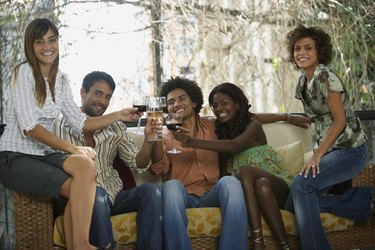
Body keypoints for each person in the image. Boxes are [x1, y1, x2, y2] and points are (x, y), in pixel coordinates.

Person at [0, 18, 139, 250]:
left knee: (84, 165)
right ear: (30, 46)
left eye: (52, 40)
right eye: (39, 41)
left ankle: (79, 244)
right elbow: (29, 127)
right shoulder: (23, 73)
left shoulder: (61, 80)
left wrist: (118, 114)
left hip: (42, 155)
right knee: (80, 178)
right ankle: (81, 246)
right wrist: (73, 148)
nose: (47, 46)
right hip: (14, 156)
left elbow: (80, 123)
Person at [284, 24, 374, 249]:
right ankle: (365, 200)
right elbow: (318, 119)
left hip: (350, 151)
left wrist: (316, 156)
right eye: (297, 48)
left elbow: (340, 120)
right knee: (291, 205)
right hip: (331, 150)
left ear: (319, 52)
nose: (301, 53)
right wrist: (291, 118)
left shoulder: (326, 76)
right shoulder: (303, 82)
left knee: (302, 187)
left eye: (308, 48)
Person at [173, 82, 294, 250]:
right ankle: (285, 246)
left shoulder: (253, 126)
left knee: (246, 172)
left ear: (237, 104)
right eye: (215, 105)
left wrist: (287, 117)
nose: (219, 108)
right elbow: (203, 121)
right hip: (259, 191)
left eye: (224, 103)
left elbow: (235, 146)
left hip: (278, 187)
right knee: (260, 185)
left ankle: (258, 240)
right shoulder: (219, 130)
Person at [54, 71, 163, 250]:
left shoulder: (116, 128)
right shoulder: (59, 124)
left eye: (108, 97)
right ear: (83, 92)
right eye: (98, 93)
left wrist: (149, 140)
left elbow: (138, 164)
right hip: (83, 200)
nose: (103, 102)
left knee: (152, 192)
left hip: (115, 196)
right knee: (96, 194)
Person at [149, 77, 249, 250]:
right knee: (171, 186)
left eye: (182, 99)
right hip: (184, 196)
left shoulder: (212, 126)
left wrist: (286, 116)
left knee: (231, 182)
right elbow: (159, 168)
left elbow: (246, 117)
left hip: (213, 193)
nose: (176, 104)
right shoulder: (165, 136)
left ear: (194, 102)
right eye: (171, 102)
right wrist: (156, 136)